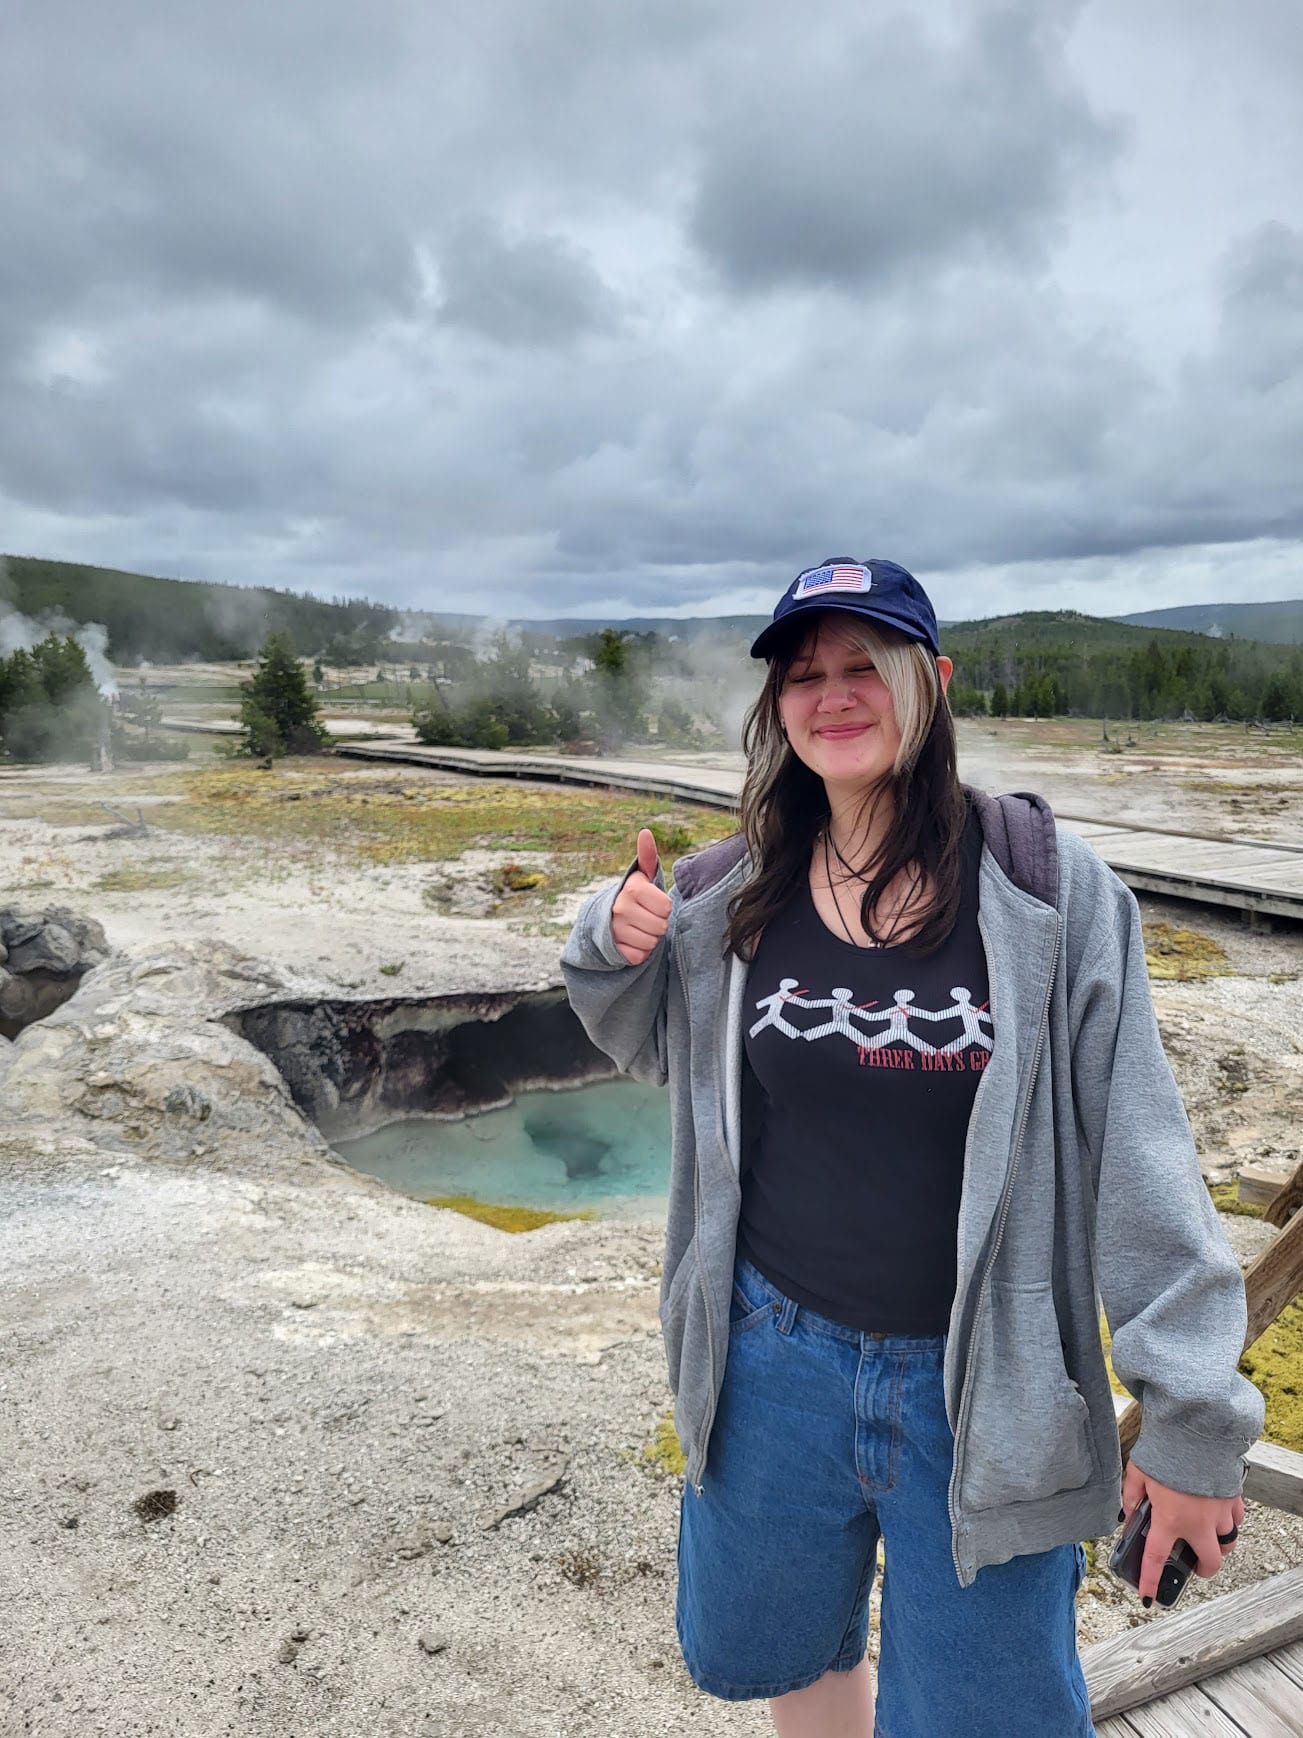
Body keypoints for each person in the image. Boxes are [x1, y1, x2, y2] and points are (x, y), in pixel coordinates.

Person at [560, 557, 1262, 1737]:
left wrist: (1189, 1417)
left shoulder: (1048, 895)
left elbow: (1140, 1155)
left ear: (929, 682)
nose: (833, 695)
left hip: (983, 1380)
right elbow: (644, 1040)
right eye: (804, 674)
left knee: (989, 1708)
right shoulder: (732, 889)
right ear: (778, 707)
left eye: (863, 666)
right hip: (769, 1359)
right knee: (783, 1641)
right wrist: (606, 934)